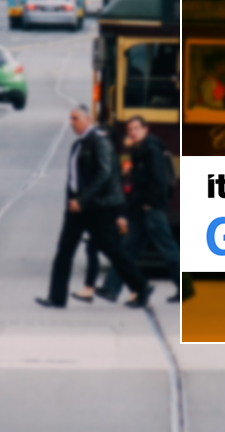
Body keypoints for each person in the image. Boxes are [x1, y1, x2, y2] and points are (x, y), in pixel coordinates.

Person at [37, 106, 153, 309]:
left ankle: (141, 286)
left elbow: (104, 174)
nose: (71, 122)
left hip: (95, 207)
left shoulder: (99, 141)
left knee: (112, 250)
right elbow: (75, 178)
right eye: (70, 118)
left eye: (75, 118)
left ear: (87, 119)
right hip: (77, 208)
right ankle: (56, 297)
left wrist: (83, 200)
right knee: (64, 251)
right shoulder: (78, 144)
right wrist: (73, 201)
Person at [90, 117, 181, 303]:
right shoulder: (139, 150)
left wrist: (149, 203)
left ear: (145, 129)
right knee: (127, 250)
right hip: (141, 210)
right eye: (130, 129)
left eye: (136, 128)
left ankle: (184, 288)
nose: (133, 132)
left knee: (169, 250)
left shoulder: (151, 150)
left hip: (151, 210)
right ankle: (110, 288)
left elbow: (158, 181)